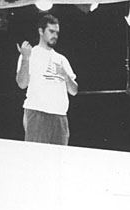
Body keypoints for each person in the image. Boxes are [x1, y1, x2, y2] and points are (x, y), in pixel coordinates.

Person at [16, 14, 78, 145]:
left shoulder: (62, 59)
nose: (55, 35)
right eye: (51, 31)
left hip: (60, 116)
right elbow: (22, 84)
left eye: (57, 32)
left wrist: (66, 76)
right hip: (37, 113)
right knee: (36, 155)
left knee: (60, 156)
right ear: (41, 31)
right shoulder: (30, 54)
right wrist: (26, 58)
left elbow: (74, 91)